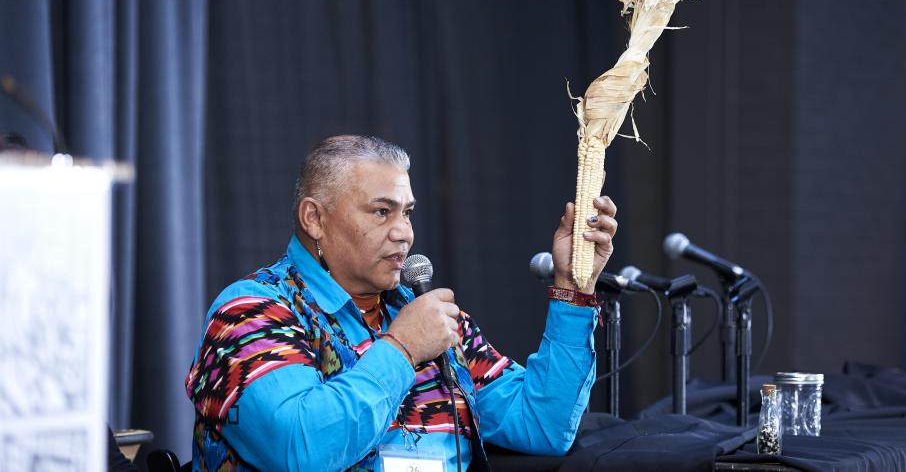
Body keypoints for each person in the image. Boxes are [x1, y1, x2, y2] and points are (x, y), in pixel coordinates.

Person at [185, 135, 619, 470]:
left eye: (407, 212)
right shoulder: (251, 313)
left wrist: (572, 287)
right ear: (314, 218)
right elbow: (301, 451)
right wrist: (402, 349)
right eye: (381, 212)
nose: (404, 233)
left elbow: (542, 424)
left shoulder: (423, 316)